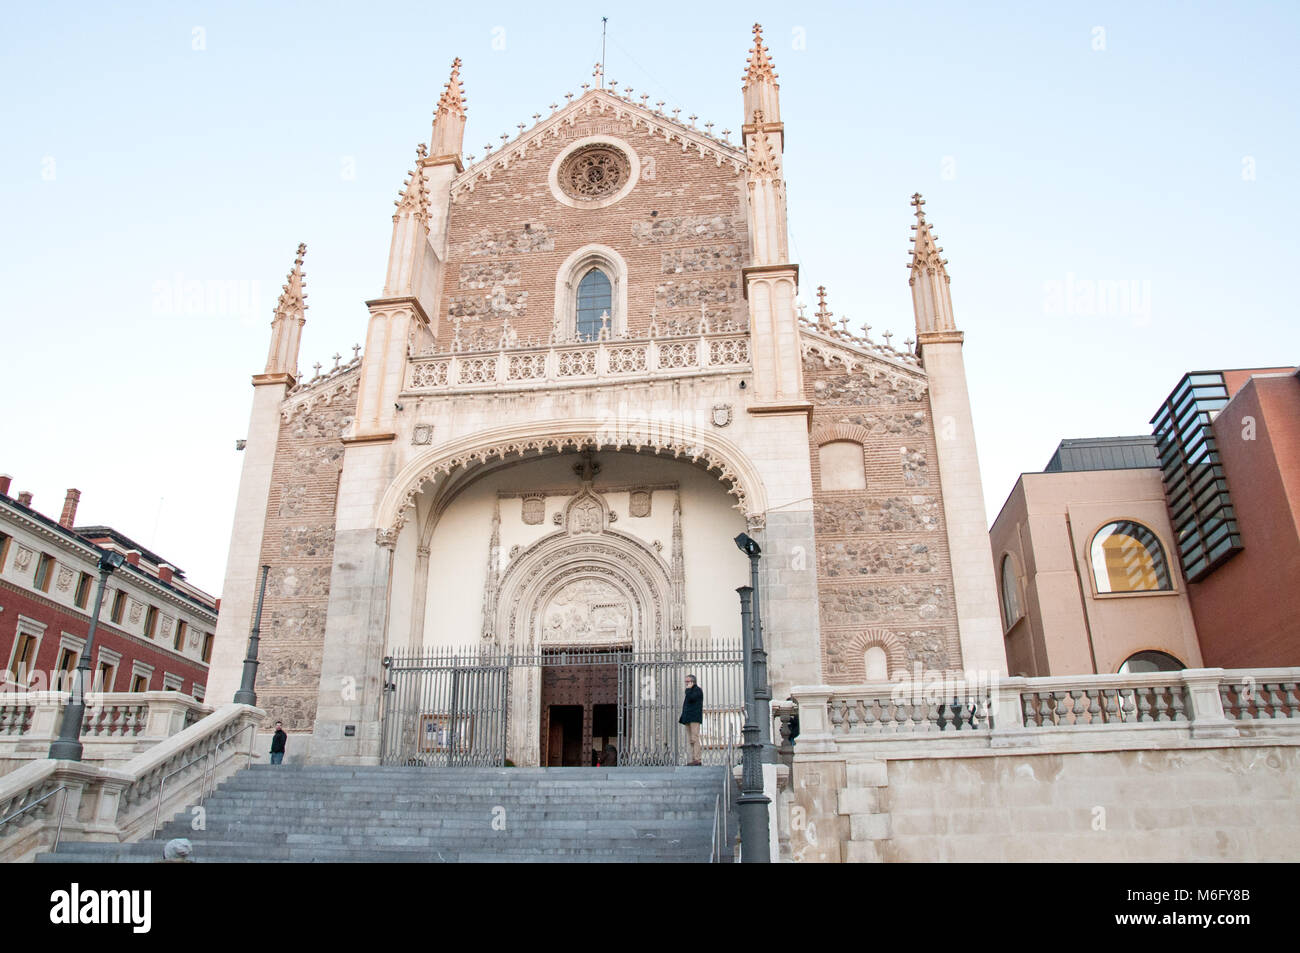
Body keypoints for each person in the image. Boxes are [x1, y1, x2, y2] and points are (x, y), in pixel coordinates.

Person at [679, 674, 703, 766]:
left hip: (694, 718)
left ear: (693, 682)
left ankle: (697, 759)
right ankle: (693, 758)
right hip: (688, 718)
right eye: (686, 682)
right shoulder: (689, 691)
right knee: (690, 739)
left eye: (688, 681)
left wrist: (688, 689)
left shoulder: (697, 690)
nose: (686, 683)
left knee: (694, 738)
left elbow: (691, 698)